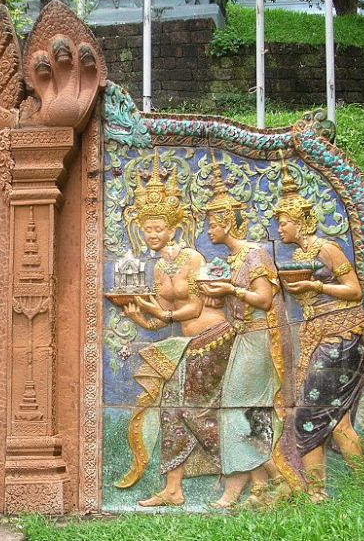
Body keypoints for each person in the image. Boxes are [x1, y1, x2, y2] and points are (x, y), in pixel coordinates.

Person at [115, 151, 235, 507]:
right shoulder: (156, 269)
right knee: (171, 408)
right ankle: (173, 489)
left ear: (173, 228)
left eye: (158, 228)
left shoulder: (193, 257)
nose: (152, 234)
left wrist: (162, 315)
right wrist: (136, 313)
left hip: (213, 339)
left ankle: (251, 468)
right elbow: (161, 318)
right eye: (146, 228)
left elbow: (194, 307)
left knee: (191, 409)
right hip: (189, 341)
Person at [199, 152, 292, 508]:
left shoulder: (254, 255)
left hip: (257, 339)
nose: (209, 230)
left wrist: (231, 290)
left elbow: (264, 299)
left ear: (227, 221)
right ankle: (254, 485)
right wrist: (216, 293)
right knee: (239, 412)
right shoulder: (237, 259)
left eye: (212, 223)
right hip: (243, 337)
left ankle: (272, 478)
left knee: (235, 410)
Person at [274, 169, 364, 502]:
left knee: (309, 415)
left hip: (340, 338)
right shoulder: (300, 255)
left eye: (284, 221)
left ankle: (318, 492)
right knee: (337, 419)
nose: (279, 228)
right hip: (321, 337)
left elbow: (354, 290)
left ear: (300, 222)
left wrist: (317, 285)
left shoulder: (326, 249)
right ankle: (363, 487)